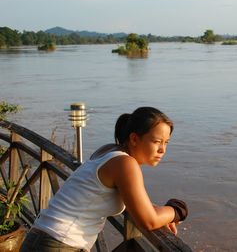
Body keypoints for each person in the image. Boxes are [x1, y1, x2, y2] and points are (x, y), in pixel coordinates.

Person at [20, 107, 188, 252]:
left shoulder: (108, 151)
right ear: (135, 139)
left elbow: (132, 199)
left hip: (41, 238)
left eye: (166, 142)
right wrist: (177, 210)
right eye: (157, 141)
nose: (162, 149)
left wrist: (159, 213)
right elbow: (149, 221)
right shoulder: (125, 163)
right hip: (58, 244)